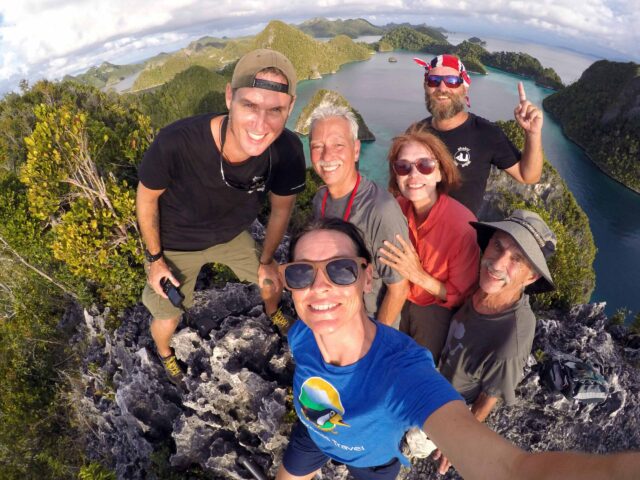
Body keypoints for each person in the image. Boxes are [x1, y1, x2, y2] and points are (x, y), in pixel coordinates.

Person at [274, 217, 640, 480]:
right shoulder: (302, 335)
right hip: (313, 430)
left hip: (371, 463)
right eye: (301, 273)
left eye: (340, 270)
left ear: (368, 276)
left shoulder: (403, 373)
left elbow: (510, 468)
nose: (319, 287)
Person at [136, 49, 306, 385]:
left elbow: (281, 209)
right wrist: (156, 260)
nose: (261, 124)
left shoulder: (286, 150)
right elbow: (146, 198)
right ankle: (165, 353)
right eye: (250, 105)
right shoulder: (177, 142)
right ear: (229, 96)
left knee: (270, 281)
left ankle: (273, 313)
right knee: (167, 315)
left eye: (275, 110)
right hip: (177, 244)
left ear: (290, 107)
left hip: (231, 235)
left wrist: (268, 259)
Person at [439, 209, 556, 422]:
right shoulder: (482, 283)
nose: (497, 263)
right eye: (497, 245)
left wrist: (462, 435)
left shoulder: (511, 338)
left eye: (517, 259)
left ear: (531, 276)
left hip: (446, 404)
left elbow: (489, 396)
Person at [378, 125, 480, 363]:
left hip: (435, 306)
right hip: (397, 292)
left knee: (419, 365)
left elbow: (461, 295)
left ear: (440, 173)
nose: (413, 175)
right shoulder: (396, 209)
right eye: (403, 167)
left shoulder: (462, 227)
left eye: (425, 166)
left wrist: (418, 275)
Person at [309, 105, 409, 326]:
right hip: (332, 313)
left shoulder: (380, 210)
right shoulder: (320, 199)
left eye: (338, 145)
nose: (327, 155)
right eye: (317, 146)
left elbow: (399, 288)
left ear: (355, 150)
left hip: (368, 323)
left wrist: (375, 344)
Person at [414, 54, 544, 215]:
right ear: (425, 85)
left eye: (452, 82)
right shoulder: (416, 132)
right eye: (434, 80)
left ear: (464, 87)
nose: (442, 88)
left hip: (460, 236)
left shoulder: (486, 133)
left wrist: (533, 133)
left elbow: (528, 176)